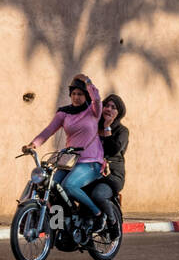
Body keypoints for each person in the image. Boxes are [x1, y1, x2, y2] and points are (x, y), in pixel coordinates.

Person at [22, 74, 104, 227]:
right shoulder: (64, 113)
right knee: (51, 186)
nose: (76, 97)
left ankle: (97, 214)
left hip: (90, 162)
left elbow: (97, 100)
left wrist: (88, 82)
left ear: (85, 95)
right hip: (69, 162)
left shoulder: (93, 111)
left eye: (80, 94)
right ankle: (62, 223)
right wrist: (33, 144)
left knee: (69, 185)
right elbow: (49, 130)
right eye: (73, 93)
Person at [90, 94, 127, 228]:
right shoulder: (93, 127)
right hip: (91, 172)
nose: (109, 109)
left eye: (113, 107)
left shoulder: (122, 131)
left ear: (119, 112)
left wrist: (107, 127)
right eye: (106, 106)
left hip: (110, 176)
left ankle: (112, 223)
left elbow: (113, 150)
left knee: (98, 195)